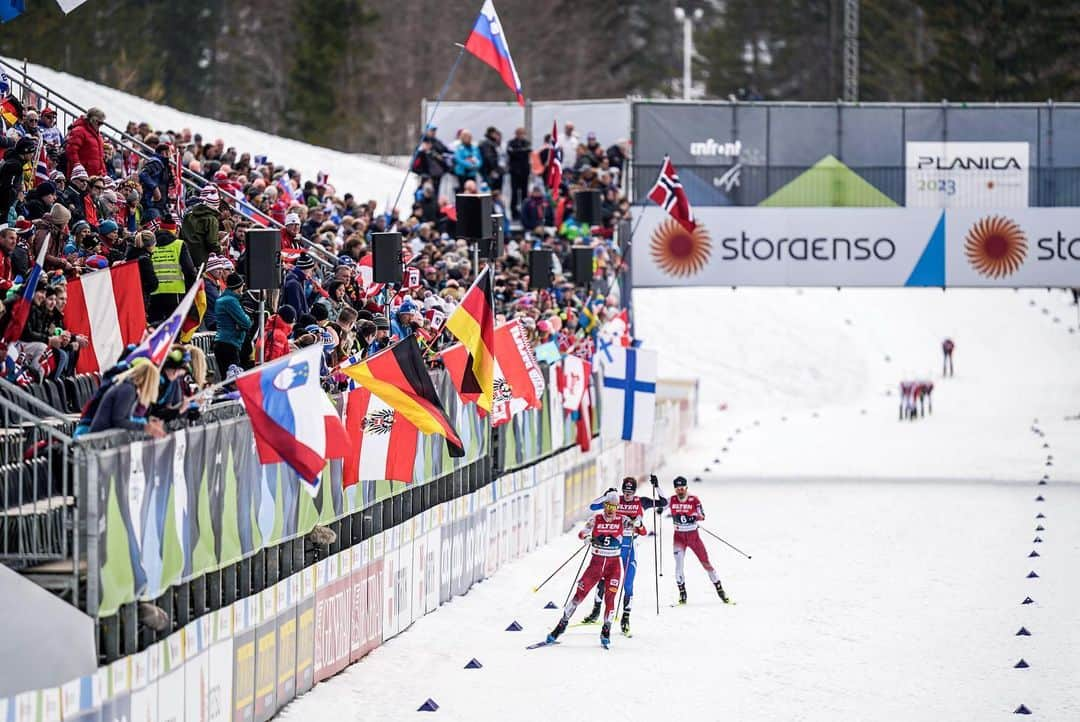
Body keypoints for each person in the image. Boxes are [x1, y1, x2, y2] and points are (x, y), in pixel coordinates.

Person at [546, 491, 645, 648]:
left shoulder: (622, 519)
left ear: (617, 507)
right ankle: (562, 624)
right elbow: (582, 533)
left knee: (610, 599)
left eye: (613, 506)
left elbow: (642, 530)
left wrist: (638, 522)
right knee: (579, 595)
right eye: (607, 505)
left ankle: (606, 629)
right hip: (595, 565)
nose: (610, 510)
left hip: (613, 566)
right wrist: (587, 538)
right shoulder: (596, 518)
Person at [580, 475, 668, 635]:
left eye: (631, 491)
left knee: (628, 583)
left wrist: (657, 487)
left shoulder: (642, 501)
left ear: (635, 491)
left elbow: (664, 503)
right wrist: (606, 495)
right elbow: (592, 507)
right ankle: (595, 612)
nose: (627, 495)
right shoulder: (615, 501)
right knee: (602, 579)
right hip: (612, 546)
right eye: (625, 491)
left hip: (629, 545)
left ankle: (626, 618)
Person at [668, 476, 730, 604]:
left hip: (693, 536)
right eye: (678, 489)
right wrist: (656, 488)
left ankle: (720, 590)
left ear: (686, 488)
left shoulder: (693, 500)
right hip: (679, 537)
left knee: (705, 562)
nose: (680, 491)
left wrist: (693, 517)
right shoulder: (672, 500)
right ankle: (682, 593)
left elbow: (702, 515)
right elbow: (660, 505)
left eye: (682, 488)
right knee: (679, 565)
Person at [87, 360, 166, 438]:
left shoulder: (129, 388)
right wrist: (145, 427)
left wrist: (149, 422)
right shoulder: (128, 390)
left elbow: (125, 416)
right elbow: (119, 420)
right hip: (99, 438)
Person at [148, 229, 197, 324]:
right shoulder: (179, 244)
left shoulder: (149, 245)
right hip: (175, 292)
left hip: (153, 292)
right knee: (174, 327)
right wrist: (189, 288)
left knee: (154, 327)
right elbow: (189, 270)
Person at [214, 273, 252, 373]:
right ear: (238, 287)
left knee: (225, 378)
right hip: (229, 344)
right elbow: (247, 323)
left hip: (222, 342)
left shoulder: (222, 299)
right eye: (242, 286)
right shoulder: (231, 301)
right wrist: (242, 323)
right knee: (232, 381)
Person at [180, 185, 222, 269]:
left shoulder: (188, 215)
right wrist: (220, 249)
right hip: (202, 259)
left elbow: (181, 235)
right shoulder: (211, 219)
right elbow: (212, 242)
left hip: (185, 256)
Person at [65, 108, 108, 178]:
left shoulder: (98, 135)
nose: (100, 125)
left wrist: (104, 173)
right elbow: (71, 151)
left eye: (102, 123)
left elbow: (100, 157)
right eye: (100, 123)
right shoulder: (79, 131)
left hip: (94, 176)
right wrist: (77, 166)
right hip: (81, 176)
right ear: (92, 120)